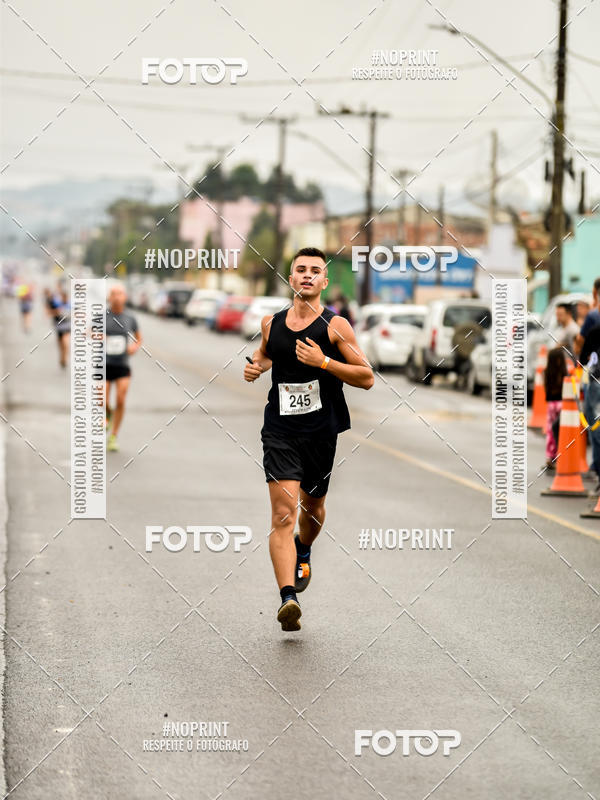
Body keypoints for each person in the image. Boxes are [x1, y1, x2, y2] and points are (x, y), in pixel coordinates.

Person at [243, 247, 374, 632]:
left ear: (324, 281)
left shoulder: (337, 328)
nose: (307, 275)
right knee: (282, 513)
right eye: (301, 269)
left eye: (315, 271)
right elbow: (268, 353)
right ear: (291, 277)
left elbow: (366, 377)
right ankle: (288, 598)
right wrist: (256, 366)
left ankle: (305, 547)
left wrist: (325, 363)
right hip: (280, 430)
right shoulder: (272, 323)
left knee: (312, 509)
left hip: (321, 432)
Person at [105, 283, 142, 452]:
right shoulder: (102, 316)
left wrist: (134, 347)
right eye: (114, 294)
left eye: (120, 293)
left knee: (120, 399)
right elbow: (89, 332)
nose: (117, 297)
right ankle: (108, 415)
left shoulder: (130, 317)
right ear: (109, 297)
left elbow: (139, 338)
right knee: (102, 401)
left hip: (122, 364)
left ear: (125, 297)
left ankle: (114, 435)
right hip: (103, 364)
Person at [543, 348, 567, 470]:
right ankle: (559, 455)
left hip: (552, 404)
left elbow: (546, 390)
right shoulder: (565, 373)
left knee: (550, 431)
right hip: (563, 404)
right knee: (560, 431)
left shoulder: (547, 372)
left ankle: (550, 456)